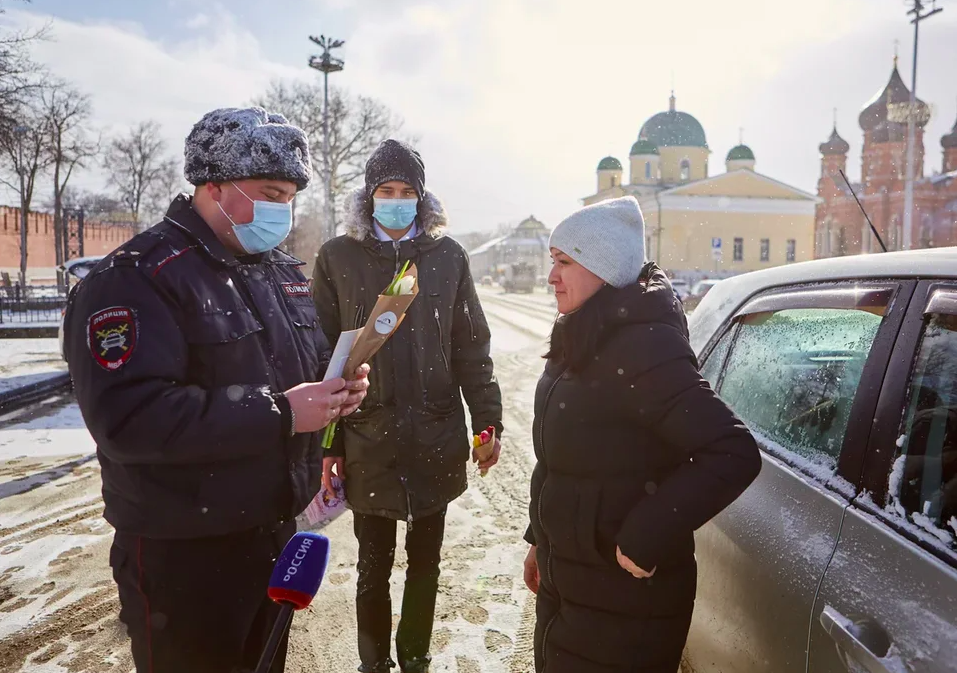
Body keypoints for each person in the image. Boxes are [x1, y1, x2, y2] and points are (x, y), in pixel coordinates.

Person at [64, 107, 371, 673]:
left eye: (289, 197)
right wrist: (282, 414)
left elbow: (297, 376)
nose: (282, 210)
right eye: (269, 193)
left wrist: (337, 391)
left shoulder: (276, 271)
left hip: (273, 532)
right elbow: (130, 418)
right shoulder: (137, 275)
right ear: (213, 186)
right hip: (185, 553)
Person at [522, 196, 761, 673]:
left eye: (564, 262)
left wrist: (645, 535)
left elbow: (731, 451)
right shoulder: (579, 335)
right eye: (553, 261)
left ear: (603, 269)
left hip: (625, 606)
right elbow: (559, 461)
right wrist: (540, 540)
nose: (552, 277)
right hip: (571, 584)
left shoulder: (642, 345)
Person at [312, 139, 503, 673]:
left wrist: (487, 422)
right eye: (386, 191)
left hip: (435, 438)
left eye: (407, 192)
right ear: (369, 197)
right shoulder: (337, 258)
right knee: (372, 567)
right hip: (366, 437)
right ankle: (373, 664)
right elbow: (321, 356)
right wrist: (326, 445)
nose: (396, 201)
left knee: (426, 566)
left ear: (422, 199)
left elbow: (471, 349)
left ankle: (414, 660)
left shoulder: (448, 258)